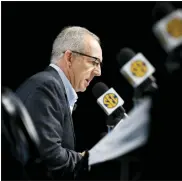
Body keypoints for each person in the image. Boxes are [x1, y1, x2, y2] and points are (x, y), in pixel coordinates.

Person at [15, 26, 102, 180]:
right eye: (94, 62)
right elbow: (50, 157)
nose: (98, 72)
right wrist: (85, 159)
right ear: (69, 58)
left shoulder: (51, 86)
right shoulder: (47, 86)